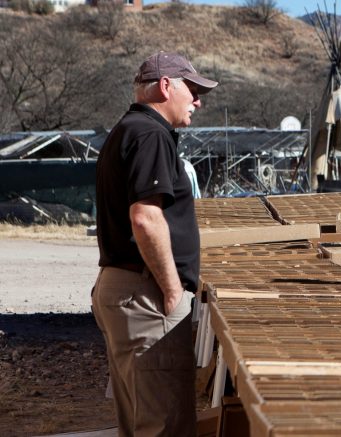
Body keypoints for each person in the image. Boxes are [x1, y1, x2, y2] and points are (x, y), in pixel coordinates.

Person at [92, 51, 217, 435]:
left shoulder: (129, 130)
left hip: (128, 288)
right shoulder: (150, 135)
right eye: (193, 91)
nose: (198, 101)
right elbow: (145, 219)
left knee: (140, 421)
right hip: (146, 294)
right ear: (166, 86)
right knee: (164, 425)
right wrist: (171, 289)